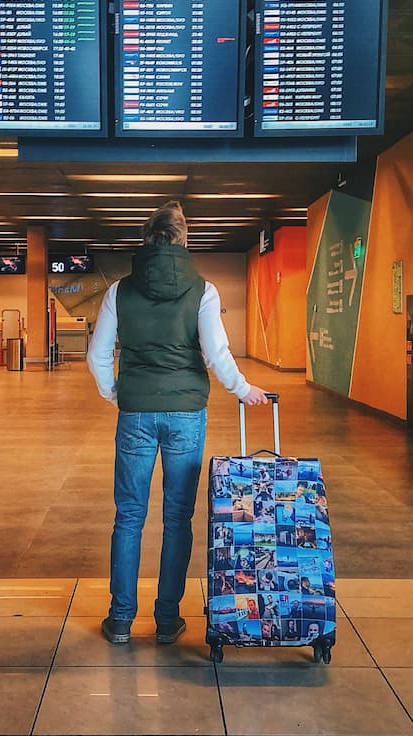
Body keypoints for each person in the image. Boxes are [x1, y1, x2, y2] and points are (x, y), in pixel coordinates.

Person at [89, 201, 269, 645]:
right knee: (177, 517)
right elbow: (216, 353)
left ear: (145, 241)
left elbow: (97, 356)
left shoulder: (119, 291)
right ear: (183, 240)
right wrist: (243, 389)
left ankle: (121, 620)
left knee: (128, 516)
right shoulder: (203, 290)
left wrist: (116, 392)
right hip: (187, 413)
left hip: (135, 412)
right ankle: (167, 619)